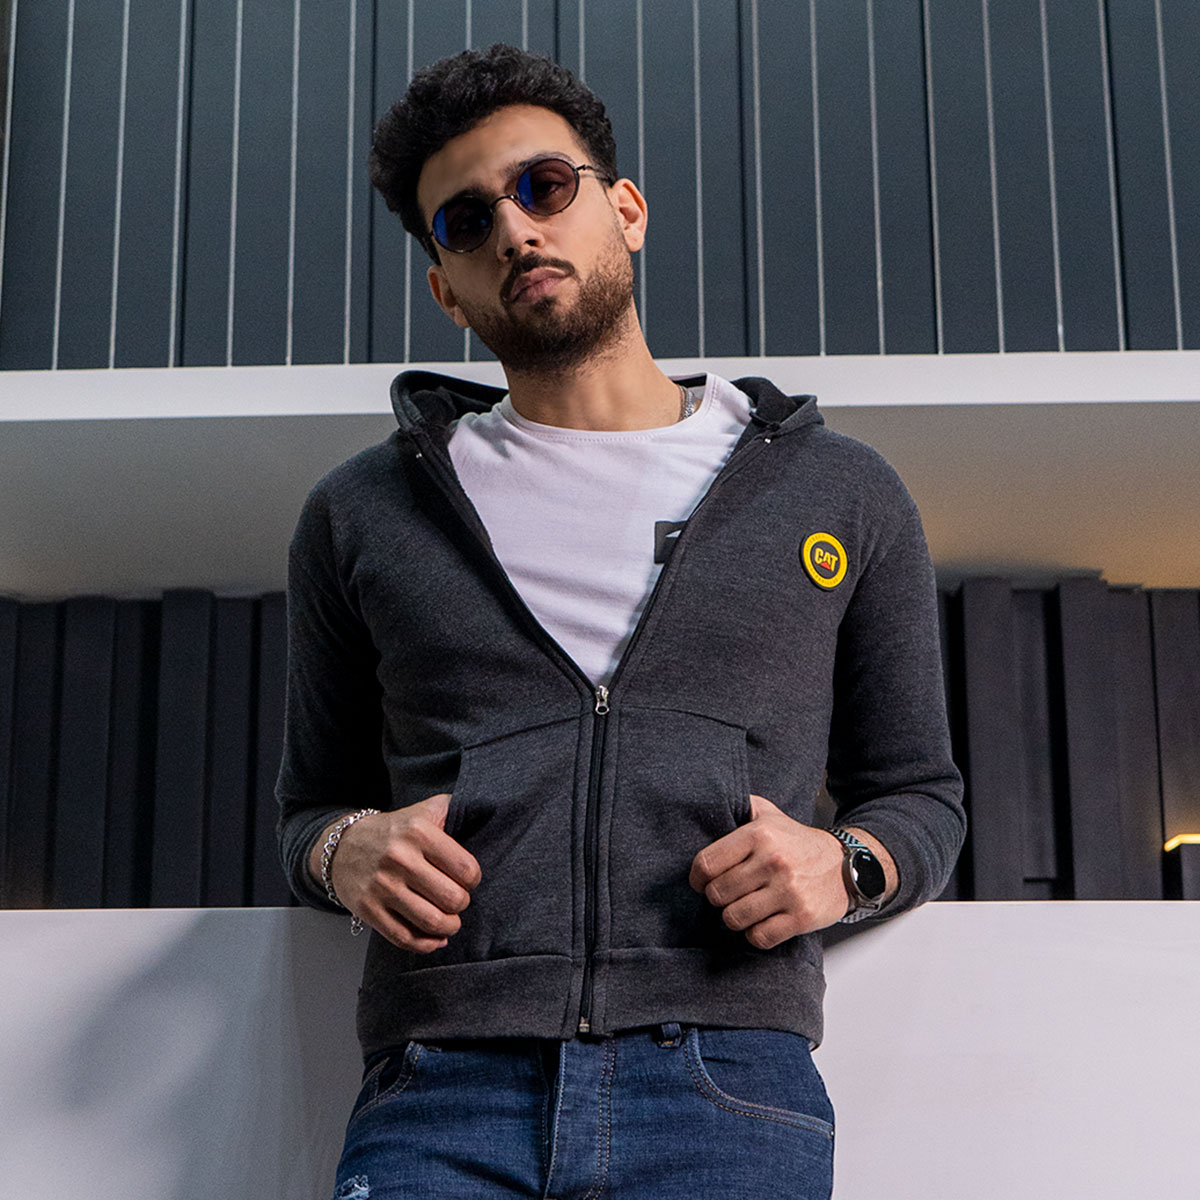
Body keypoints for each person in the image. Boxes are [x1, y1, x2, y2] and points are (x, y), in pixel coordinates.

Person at [277, 43, 964, 1200]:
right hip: (439, 1086)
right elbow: (310, 808)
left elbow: (921, 795)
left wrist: (847, 863)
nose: (514, 229)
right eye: (466, 220)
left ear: (625, 210)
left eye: (544, 186)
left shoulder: (839, 492)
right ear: (447, 287)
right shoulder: (361, 514)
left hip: (727, 1083)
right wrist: (341, 849)